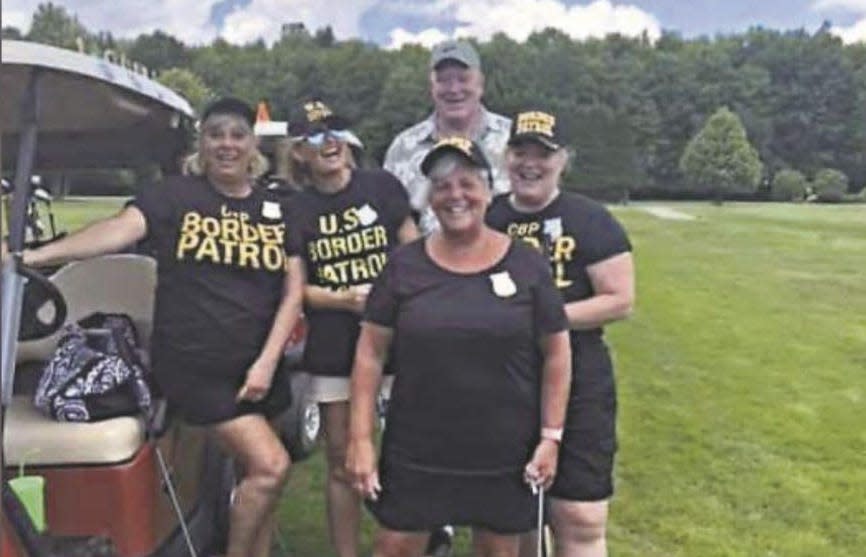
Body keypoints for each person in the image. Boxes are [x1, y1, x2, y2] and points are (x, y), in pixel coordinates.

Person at [19, 97, 305, 557]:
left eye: (237, 134)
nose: (226, 144)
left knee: (259, 484)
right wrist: (31, 257)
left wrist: (268, 363)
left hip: (258, 365)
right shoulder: (174, 196)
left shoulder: (278, 208)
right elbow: (116, 230)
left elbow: (293, 291)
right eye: (216, 134)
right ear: (202, 143)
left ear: (253, 144)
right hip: (196, 365)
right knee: (271, 467)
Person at [347, 137, 573, 557]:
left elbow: (558, 353)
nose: (456, 195)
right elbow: (370, 354)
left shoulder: (527, 264)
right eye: (442, 185)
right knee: (393, 546)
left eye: (467, 183)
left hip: (503, 449)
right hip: (417, 446)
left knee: (498, 550)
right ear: (430, 198)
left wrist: (551, 437)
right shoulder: (404, 265)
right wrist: (360, 438)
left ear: (489, 190)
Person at [486, 110, 635, 557]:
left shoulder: (590, 219)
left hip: (580, 377)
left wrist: (547, 319)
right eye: (520, 152)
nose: (530, 163)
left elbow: (619, 300)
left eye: (542, 154)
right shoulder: (488, 218)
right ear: (506, 157)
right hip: (502, 380)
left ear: (563, 160)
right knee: (513, 513)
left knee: (580, 515)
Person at [284, 100, 418, 557]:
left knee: (406, 453)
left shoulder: (381, 186)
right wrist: (343, 299)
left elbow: (415, 255)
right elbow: (298, 291)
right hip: (334, 346)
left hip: (399, 343)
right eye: (316, 137)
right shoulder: (296, 209)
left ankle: (407, 543)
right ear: (299, 151)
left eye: (336, 131)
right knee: (342, 462)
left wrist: (390, 298)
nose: (330, 143)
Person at [384, 39, 511, 235]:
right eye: (443, 80)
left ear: (481, 83)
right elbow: (392, 222)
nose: (453, 89)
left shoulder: (513, 140)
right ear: (431, 87)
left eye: (463, 79)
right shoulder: (402, 148)